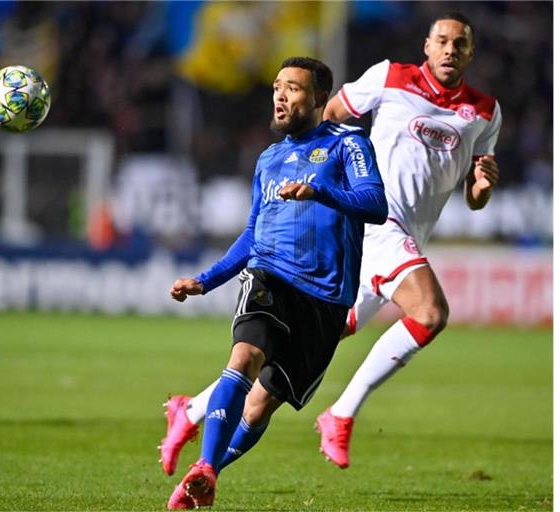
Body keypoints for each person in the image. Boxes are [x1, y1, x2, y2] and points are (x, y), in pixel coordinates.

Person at [159, 11, 502, 474]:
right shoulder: (390, 77)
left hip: (388, 239)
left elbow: (476, 196)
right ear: (426, 45)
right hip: (379, 224)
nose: (449, 50)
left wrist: (481, 187)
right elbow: (331, 121)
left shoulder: (484, 112)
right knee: (430, 313)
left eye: (459, 44)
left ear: (470, 52)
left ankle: (193, 411)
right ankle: (341, 414)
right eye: (441, 40)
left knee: (297, 351)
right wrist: (317, 175)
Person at [164, 56, 387, 509]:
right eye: (276, 87)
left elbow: (374, 203)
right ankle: (204, 465)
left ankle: (207, 476)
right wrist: (205, 282)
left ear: (319, 99)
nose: (280, 96)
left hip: (325, 299)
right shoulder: (269, 159)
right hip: (270, 275)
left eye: (293, 88)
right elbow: (252, 233)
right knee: (244, 357)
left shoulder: (349, 144)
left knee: (261, 405)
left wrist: (319, 191)